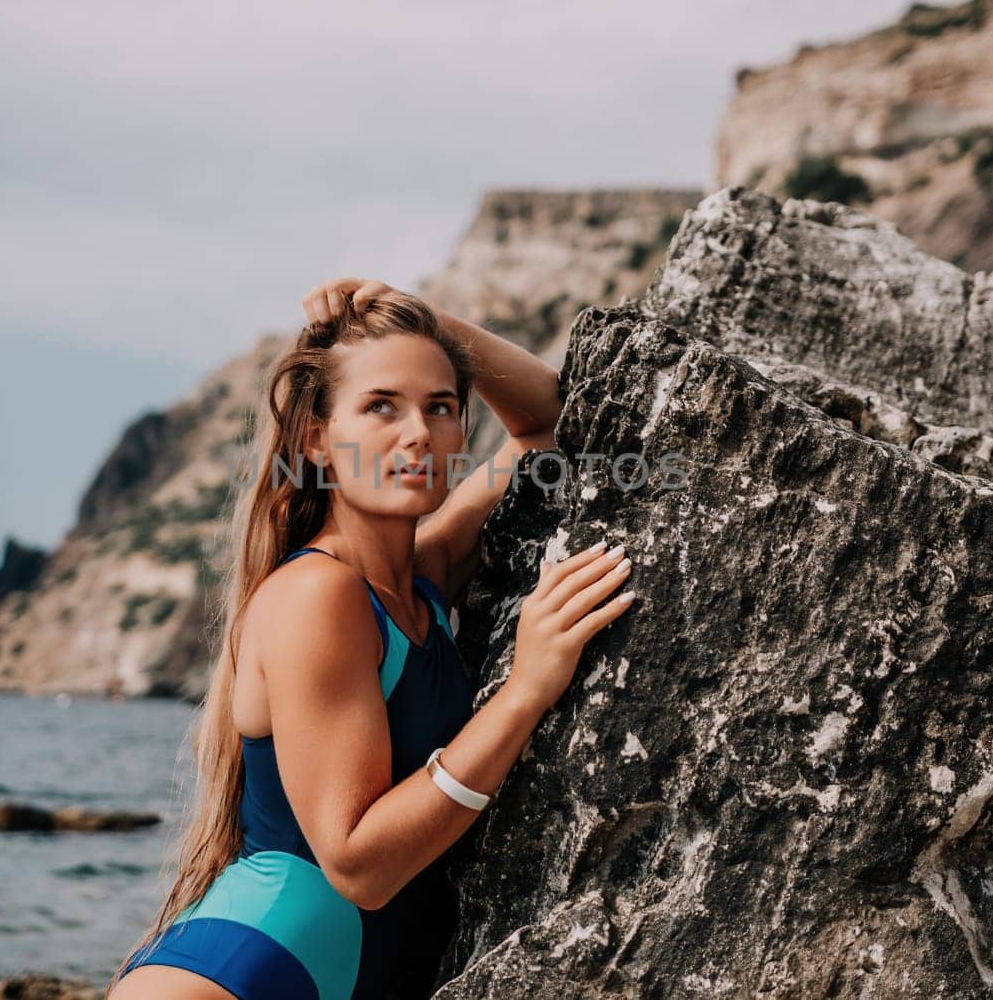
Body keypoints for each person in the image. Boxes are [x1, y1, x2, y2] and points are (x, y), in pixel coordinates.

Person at [109, 278, 636, 1000]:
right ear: (316, 440)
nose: (417, 432)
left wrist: (429, 325)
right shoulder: (315, 596)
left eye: (440, 407)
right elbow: (358, 865)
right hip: (235, 977)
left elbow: (547, 426)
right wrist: (523, 693)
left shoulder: (424, 573)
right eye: (381, 405)